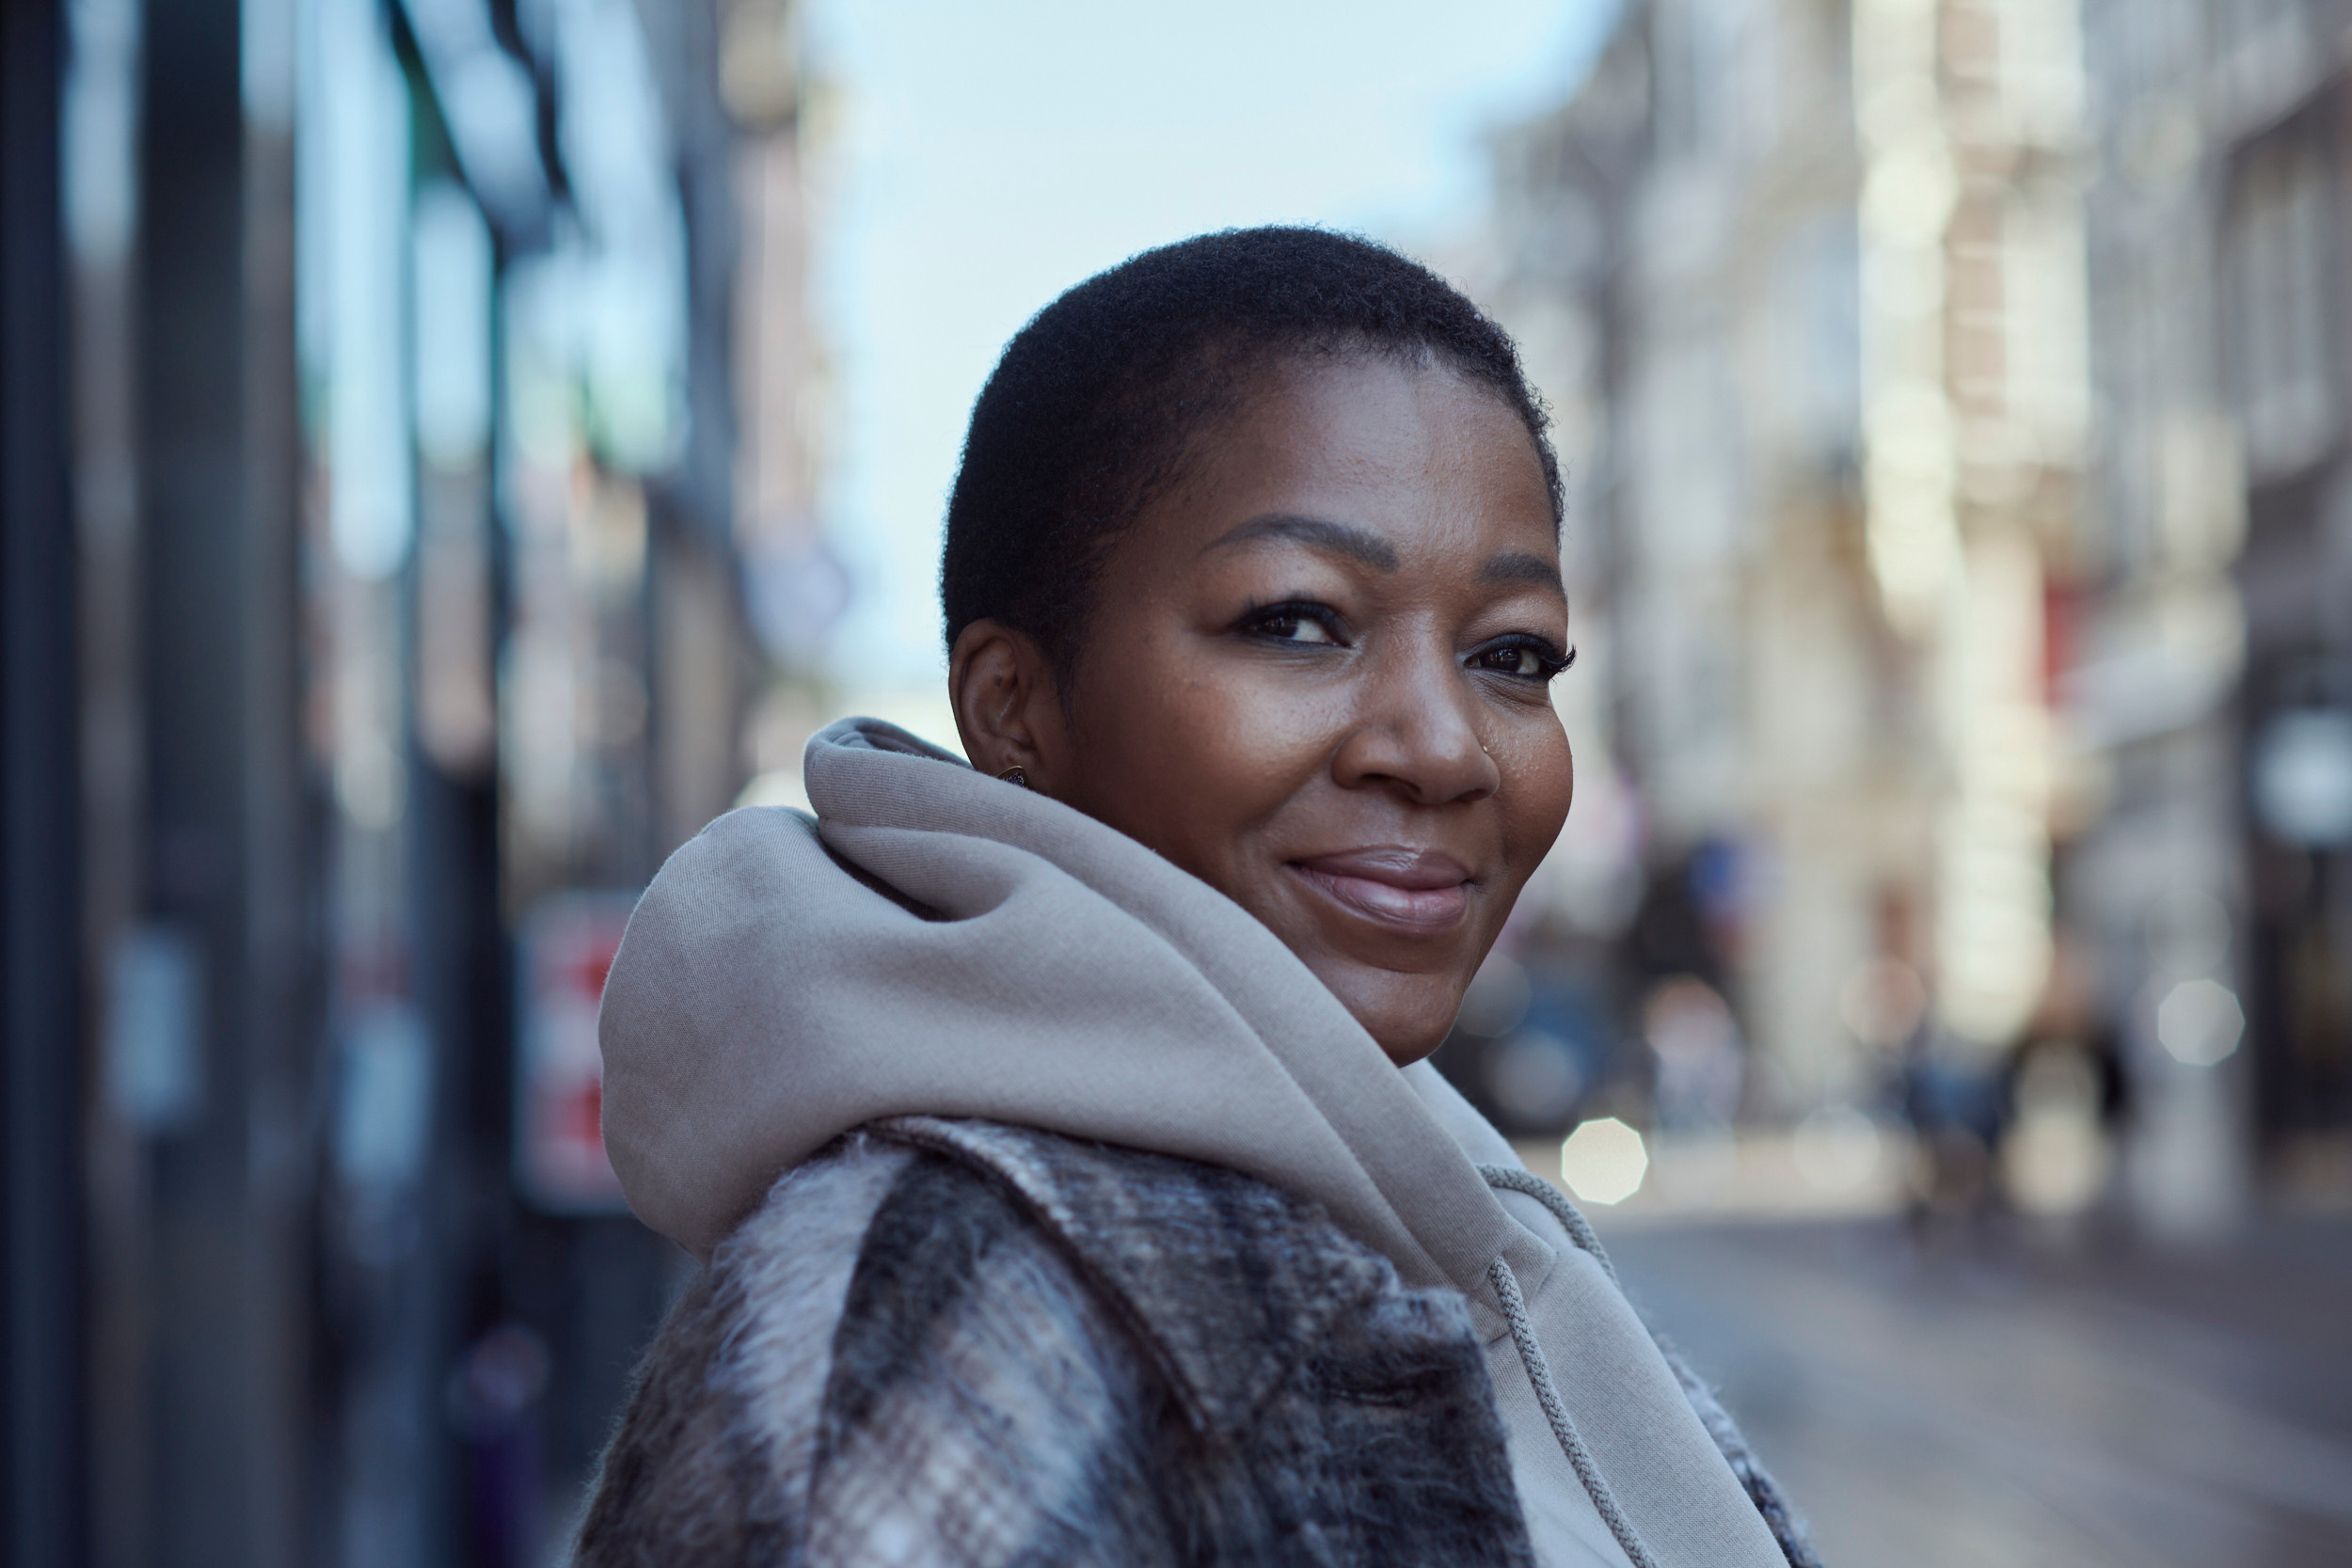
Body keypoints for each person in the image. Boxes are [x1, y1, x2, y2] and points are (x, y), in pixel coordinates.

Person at [576, 228, 1818, 1568]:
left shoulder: (1449, 1208)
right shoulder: (942, 1316)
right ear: (1013, 710)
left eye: (1512, 655)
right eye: (1297, 622)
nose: (1446, 745)